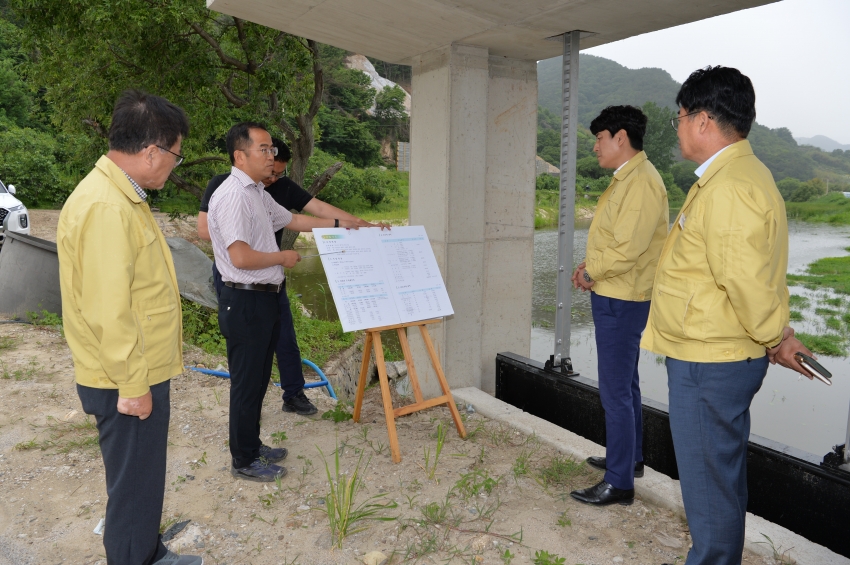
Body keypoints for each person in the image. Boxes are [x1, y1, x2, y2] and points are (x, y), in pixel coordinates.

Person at [640, 66, 815, 565]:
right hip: (720, 352)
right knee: (719, 475)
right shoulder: (738, 175)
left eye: (678, 118)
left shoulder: (728, 187)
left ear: (702, 120)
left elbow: (743, 279)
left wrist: (775, 335)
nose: (676, 128)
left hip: (710, 360)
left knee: (708, 483)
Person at [56, 90, 202, 565]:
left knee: (142, 479)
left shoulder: (121, 195)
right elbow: (107, 308)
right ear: (152, 151)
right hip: (125, 376)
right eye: (175, 156)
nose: (173, 167)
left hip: (135, 368)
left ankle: (150, 552)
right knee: (132, 486)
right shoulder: (107, 206)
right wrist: (134, 384)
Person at [208, 122, 367, 482]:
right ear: (240, 155)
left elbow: (294, 218)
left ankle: (250, 444)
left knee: (260, 378)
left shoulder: (257, 193)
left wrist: (345, 224)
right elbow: (241, 257)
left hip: (263, 299)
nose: (271, 156)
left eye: (271, 150)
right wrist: (281, 258)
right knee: (247, 383)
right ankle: (244, 461)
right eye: (263, 149)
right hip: (244, 300)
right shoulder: (233, 195)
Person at [198, 138, 385, 416]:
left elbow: (313, 213)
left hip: (271, 275)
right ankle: (247, 408)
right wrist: (249, 241)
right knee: (247, 345)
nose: (273, 176)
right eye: (268, 165)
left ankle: (293, 394)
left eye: (277, 171)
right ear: (244, 158)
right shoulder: (226, 188)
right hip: (236, 276)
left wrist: (359, 225)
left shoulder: (272, 191)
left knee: (283, 334)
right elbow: (204, 231)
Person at [568, 105, 669, 507]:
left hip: (622, 296)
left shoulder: (641, 182)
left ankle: (620, 483)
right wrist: (590, 267)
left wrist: (591, 273)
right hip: (617, 290)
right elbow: (617, 241)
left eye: (599, 138)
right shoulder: (630, 178)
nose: (595, 146)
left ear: (620, 137)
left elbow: (627, 248)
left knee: (614, 389)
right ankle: (630, 459)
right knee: (625, 383)